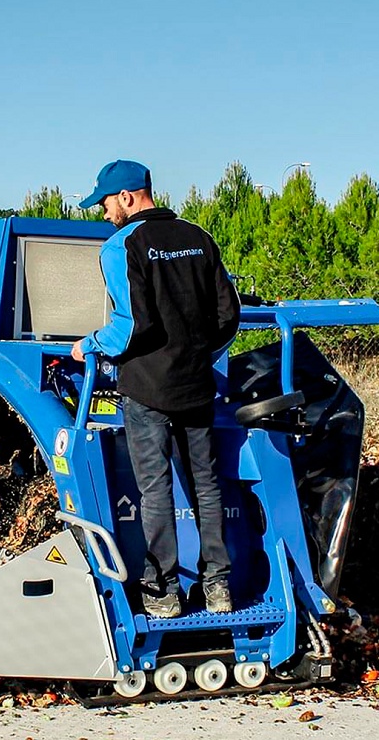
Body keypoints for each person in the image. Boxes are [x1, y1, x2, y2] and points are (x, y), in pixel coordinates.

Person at [71, 160, 240, 618]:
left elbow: (131, 327)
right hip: (196, 385)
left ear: (127, 196)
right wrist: (199, 355)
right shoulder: (198, 238)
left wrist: (87, 346)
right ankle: (218, 587)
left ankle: (162, 591)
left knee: (155, 490)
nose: (104, 213)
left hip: (147, 389)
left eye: (106, 203)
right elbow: (229, 315)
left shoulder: (121, 246)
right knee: (206, 486)